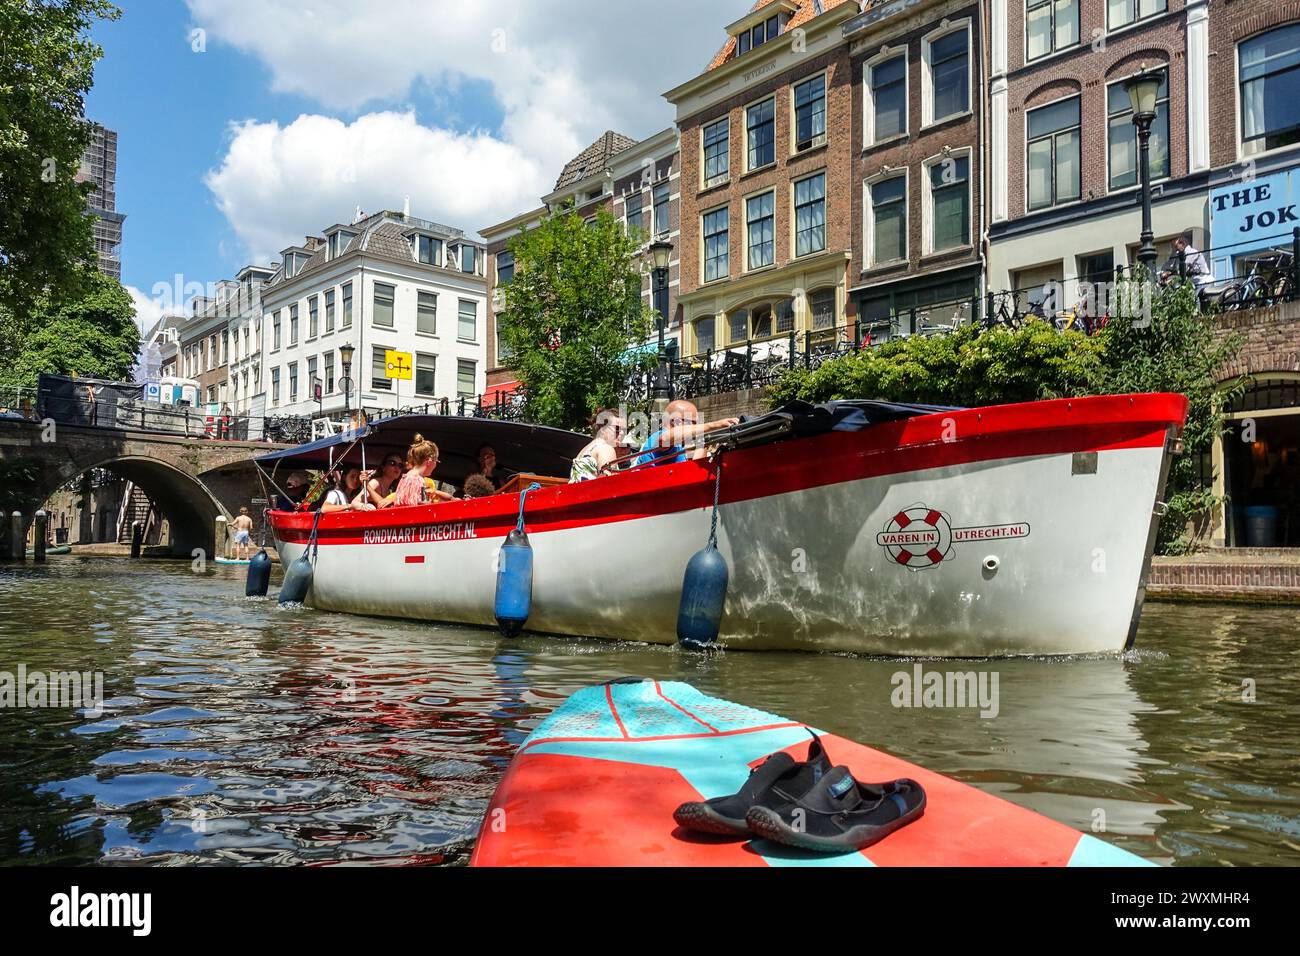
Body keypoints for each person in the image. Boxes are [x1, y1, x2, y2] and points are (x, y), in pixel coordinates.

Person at [634, 400, 738, 467]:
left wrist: (702, 442)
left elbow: (695, 472)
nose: (697, 427)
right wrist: (714, 425)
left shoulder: (678, 445)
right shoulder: (659, 436)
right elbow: (664, 439)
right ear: (677, 421)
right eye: (694, 423)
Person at [393, 434, 455, 507]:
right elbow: (425, 507)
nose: (435, 465)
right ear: (429, 461)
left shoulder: (404, 478)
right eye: (436, 461)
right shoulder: (419, 481)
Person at [570, 409, 626, 482]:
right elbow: (609, 485)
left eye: (624, 430)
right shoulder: (606, 449)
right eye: (617, 428)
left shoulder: (584, 451)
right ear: (602, 429)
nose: (622, 433)